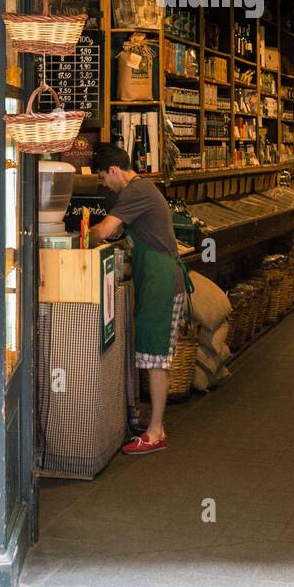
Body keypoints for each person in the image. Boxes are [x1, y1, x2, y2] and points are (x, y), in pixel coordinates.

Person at [89, 143, 192, 455]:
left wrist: (87, 232)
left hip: (161, 279)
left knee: (157, 354)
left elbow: (105, 231)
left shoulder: (134, 191)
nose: (104, 184)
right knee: (151, 350)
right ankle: (150, 423)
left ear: (115, 171)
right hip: (156, 277)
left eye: (103, 178)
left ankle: (156, 431)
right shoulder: (143, 187)